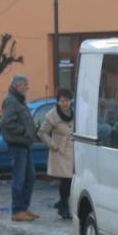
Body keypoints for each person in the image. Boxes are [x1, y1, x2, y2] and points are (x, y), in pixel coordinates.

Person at [0, 74, 39, 221]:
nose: (27, 88)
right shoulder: (11, 101)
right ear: (17, 85)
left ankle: (23, 208)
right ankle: (17, 210)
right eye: (25, 85)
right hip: (17, 145)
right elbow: (6, 122)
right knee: (19, 178)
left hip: (25, 144)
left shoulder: (19, 100)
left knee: (30, 177)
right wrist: (24, 131)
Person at [37, 88, 74, 220]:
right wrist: (52, 144)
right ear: (58, 101)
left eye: (67, 100)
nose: (65, 103)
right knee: (66, 180)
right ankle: (64, 206)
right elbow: (42, 133)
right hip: (60, 151)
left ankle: (62, 202)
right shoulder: (52, 115)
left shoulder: (74, 112)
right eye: (62, 101)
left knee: (70, 181)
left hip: (73, 151)